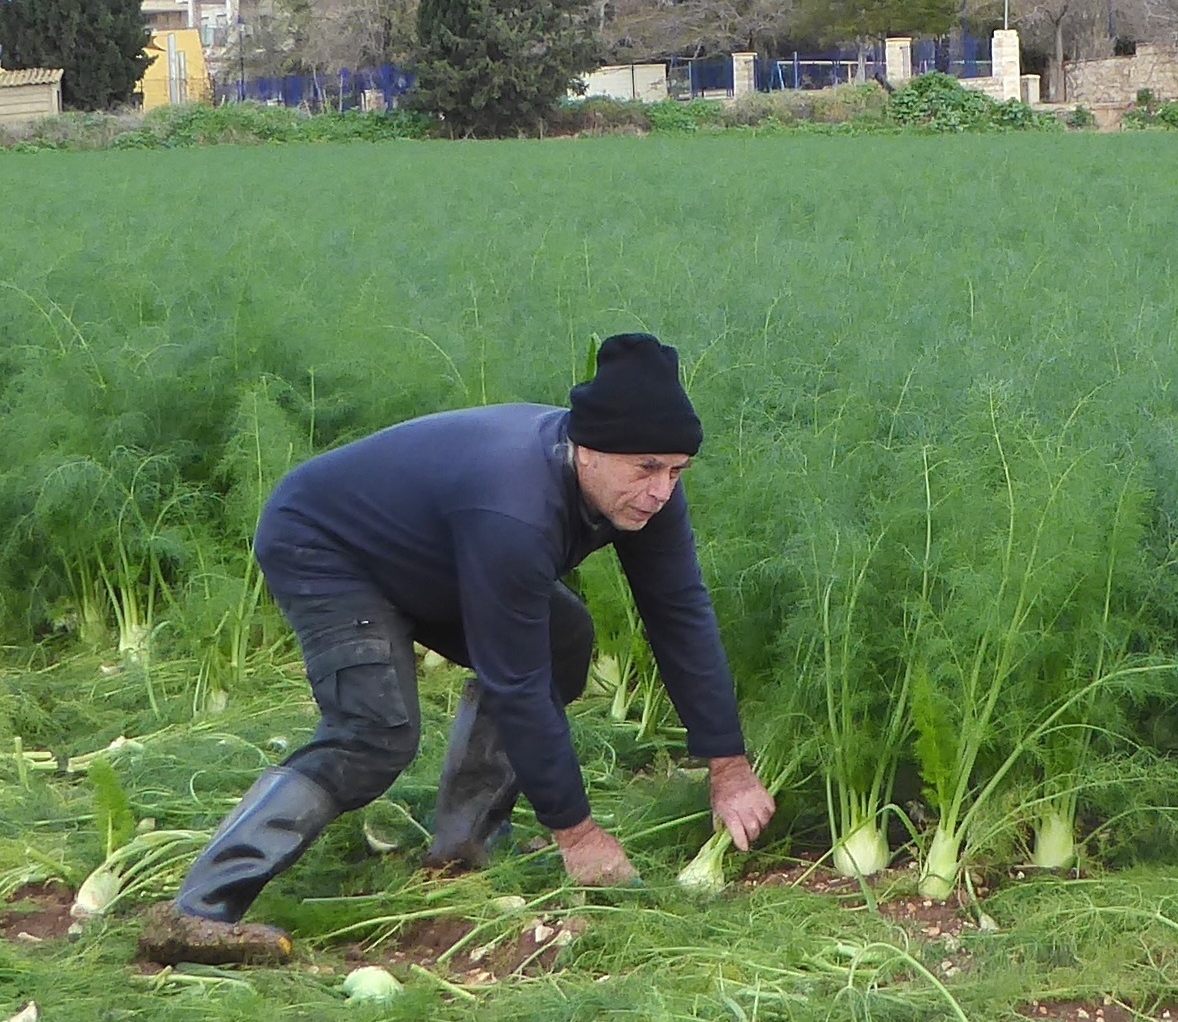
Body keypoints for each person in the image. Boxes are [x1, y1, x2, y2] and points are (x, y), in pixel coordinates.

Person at [149, 333, 774, 962]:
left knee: (563, 638)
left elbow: (680, 614)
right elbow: (516, 681)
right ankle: (198, 910)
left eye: (676, 471)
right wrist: (577, 834)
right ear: (588, 450)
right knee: (374, 732)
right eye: (646, 469)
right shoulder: (516, 507)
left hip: (435, 549)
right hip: (326, 545)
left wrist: (729, 765)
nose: (661, 490)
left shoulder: (645, 491)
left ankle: (462, 852)